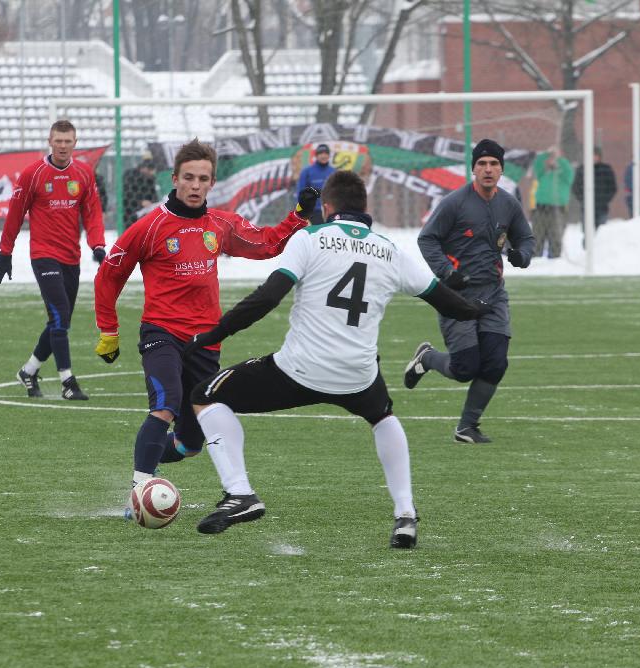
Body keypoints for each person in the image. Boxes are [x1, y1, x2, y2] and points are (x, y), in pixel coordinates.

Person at [184, 170, 491, 547]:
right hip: (357, 376)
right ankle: (406, 516)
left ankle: (240, 493)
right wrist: (477, 309)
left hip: (298, 369)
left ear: (327, 208)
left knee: (205, 395)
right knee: (382, 416)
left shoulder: (309, 238)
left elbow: (267, 298)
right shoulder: (390, 250)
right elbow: (446, 301)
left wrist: (213, 334)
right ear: (365, 207)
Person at [93, 138, 319, 502]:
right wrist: (109, 331)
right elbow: (109, 274)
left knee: (190, 443)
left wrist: (299, 215)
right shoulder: (149, 227)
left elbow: (265, 244)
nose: (195, 185)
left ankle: (149, 455)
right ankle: (140, 489)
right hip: (162, 333)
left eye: (203, 179)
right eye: (188, 178)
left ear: (212, 182)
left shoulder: (220, 224)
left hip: (205, 341)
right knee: (165, 403)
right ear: (174, 179)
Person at [406, 138, 535, 444]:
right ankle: (427, 358)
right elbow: (427, 239)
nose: (488, 169)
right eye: (482, 164)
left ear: (501, 169)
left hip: (494, 294)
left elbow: (526, 239)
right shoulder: (454, 203)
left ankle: (467, 427)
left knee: (496, 363)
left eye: (494, 164)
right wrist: (447, 272)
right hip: (457, 296)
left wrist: (522, 255)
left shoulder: (509, 204)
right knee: (464, 368)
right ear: (473, 169)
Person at [0, 119, 106, 401]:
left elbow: (92, 213)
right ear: (49, 142)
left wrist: (98, 245)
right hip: (43, 255)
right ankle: (68, 381)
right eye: (58, 141)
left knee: (60, 320)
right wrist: (5, 253)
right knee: (59, 315)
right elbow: (15, 214)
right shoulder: (33, 174)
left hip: (71, 257)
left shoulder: (84, 174)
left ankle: (28, 371)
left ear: (75, 143)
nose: (63, 146)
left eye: (68, 141)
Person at [530, 145, 573, 258]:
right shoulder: (543, 173)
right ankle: (535, 261)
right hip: (540, 209)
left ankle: (554, 261)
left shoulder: (564, 176)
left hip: (557, 210)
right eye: (551, 158)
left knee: (555, 239)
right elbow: (537, 164)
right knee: (536, 238)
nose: (552, 160)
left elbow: (568, 170)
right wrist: (547, 154)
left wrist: (558, 158)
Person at [572, 146, 617, 230]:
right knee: (587, 231)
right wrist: (583, 199)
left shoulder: (606, 169)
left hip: (602, 208)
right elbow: (575, 187)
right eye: (591, 155)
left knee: (601, 231)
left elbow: (612, 187)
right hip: (586, 208)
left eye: (595, 155)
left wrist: (604, 199)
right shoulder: (581, 169)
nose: (593, 158)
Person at [296, 143, 336, 224]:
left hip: (331, 212)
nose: (323, 156)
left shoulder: (334, 172)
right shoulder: (307, 172)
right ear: (316, 155)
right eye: (321, 153)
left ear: (329, 155)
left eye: (326, 153)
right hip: (313, 212)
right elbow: (301, 193)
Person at [122, 156, 159, 226]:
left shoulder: (150, 179)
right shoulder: (130, 175)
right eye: (149, 171)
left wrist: (151, 202)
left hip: (145, 213)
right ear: (144, 168)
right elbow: (127, 193)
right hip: (130, 212)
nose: (151, 174)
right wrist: (141, 202)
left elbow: (154, 195)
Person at [623, 150, 640, 218]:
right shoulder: (632, 168)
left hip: (633, 197)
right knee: (638, 217)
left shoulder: (634, 168)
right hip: (632, 197)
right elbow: (629, 184)